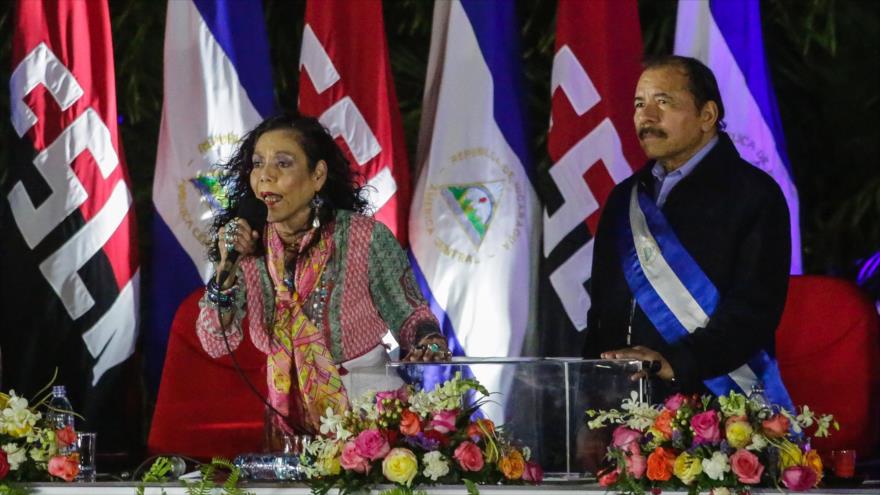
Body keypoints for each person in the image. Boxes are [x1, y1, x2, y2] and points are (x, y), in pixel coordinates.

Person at [196, 113, 450, 439]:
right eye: (258, 164)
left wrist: (426, 341)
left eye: (283, 164)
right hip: (288, 413)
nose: (266, 177)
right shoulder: (249, 245)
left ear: (317, 176)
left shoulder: (363, 236)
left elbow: (411, 314)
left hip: (369, 409)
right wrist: (226, 268)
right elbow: (216, 339)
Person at [582, 55, 793, 408]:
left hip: (714, 409)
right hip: (623, 410)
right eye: (639, 104)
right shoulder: (625, 198)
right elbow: (601, 310)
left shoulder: (755, 195)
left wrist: (678, 362)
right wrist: (591, 401)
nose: (646, 118)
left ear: (707, 116)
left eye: (663, 103)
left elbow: (754, 310)